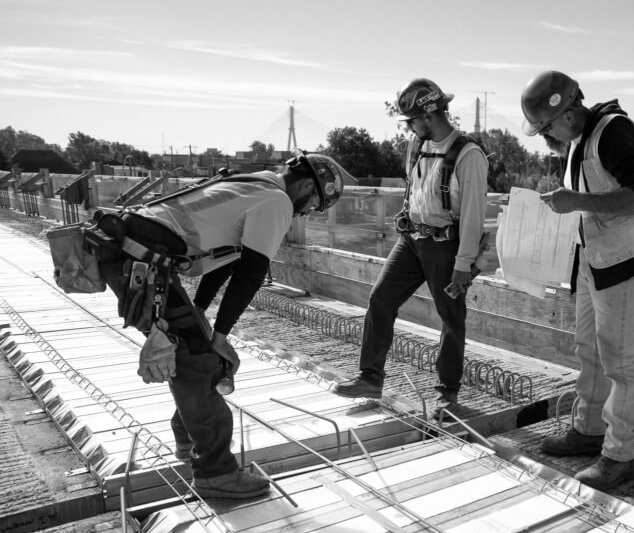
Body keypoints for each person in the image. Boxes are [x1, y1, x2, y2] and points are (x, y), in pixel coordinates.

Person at [95, 151, 346, 499]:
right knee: (199, 362)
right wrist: (220, 336)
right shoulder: (277, 202)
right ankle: (216, 474)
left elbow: (227, 260)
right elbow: (252, 272)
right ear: (306, 186)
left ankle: (188, 440)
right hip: (142, 260)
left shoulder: (254, 183)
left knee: (191, 352)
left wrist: (200, 311)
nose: (305, 212)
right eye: (313, 204)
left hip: (134, 253)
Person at [520, 70, 634, 491]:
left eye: (545, 129)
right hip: (594, 259)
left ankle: (620, 456)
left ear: (566, 113)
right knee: (589, 348)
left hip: (623, 259)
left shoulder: (613, 131)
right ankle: (589, 430)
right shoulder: (578, 140)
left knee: (620, 361)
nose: (546, 137)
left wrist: (577, 201)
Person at [335, 78, 488, 419]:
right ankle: (370, 378)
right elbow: (416, 187)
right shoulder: (416, 145)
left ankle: (447, 394)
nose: (409, 127)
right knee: (380, 299)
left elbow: (474, 215)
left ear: (429, 116)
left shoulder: (469, 155)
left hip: (446, 247)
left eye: (412, 120)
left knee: (451, 319)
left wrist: (463, 264)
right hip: (411, 240)